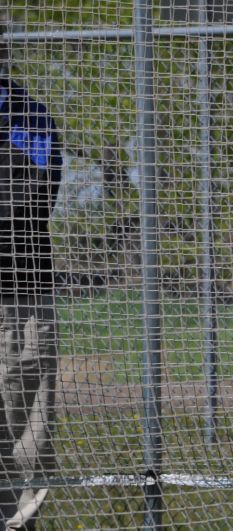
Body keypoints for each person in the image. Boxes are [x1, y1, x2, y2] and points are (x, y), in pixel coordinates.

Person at [0, 67, 62, 529]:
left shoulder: (29, 118)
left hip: (20, 290)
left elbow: (32, 200)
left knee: (25, 424)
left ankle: (18, 522)